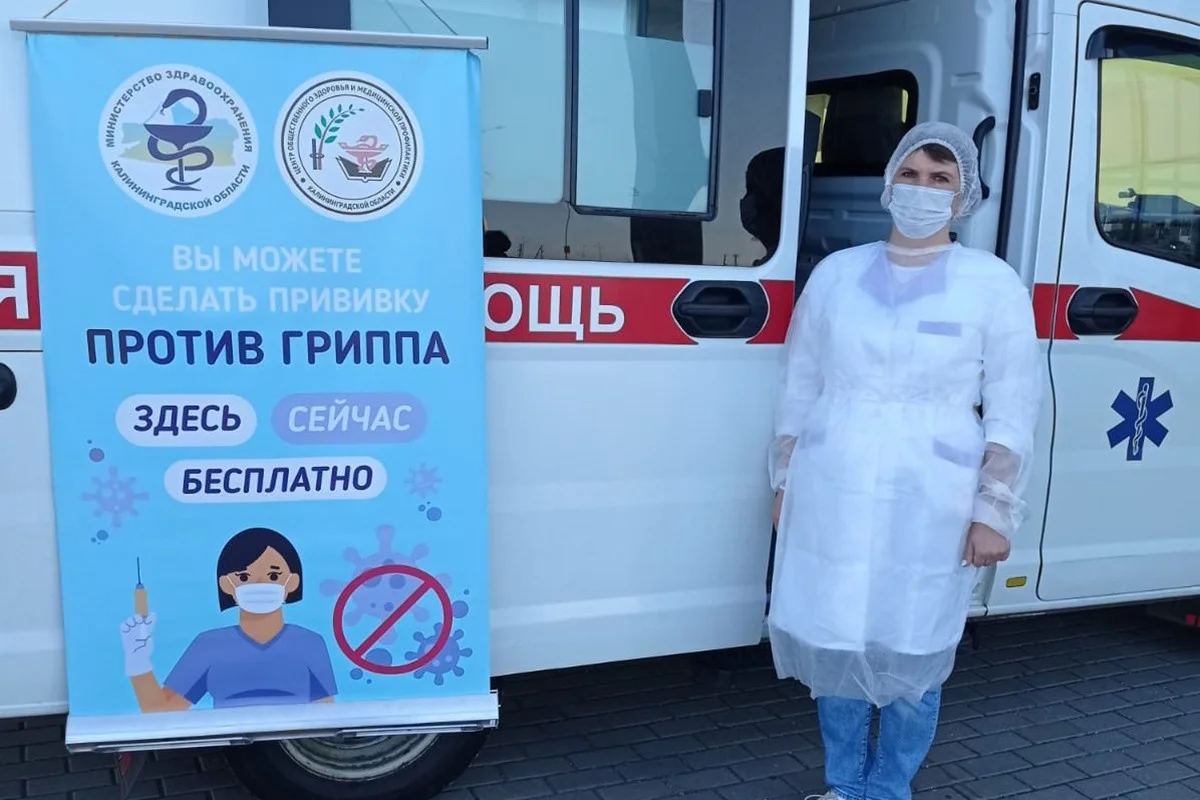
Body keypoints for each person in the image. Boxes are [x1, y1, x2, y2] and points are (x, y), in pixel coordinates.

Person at [767, 121, 1042, 800]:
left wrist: (994, 509)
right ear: (889, 183)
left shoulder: (990, 284)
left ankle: (888, 790)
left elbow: (1013, 404)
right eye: (911, 174)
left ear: (963, 196)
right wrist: (785, 480)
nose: (923, 190)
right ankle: (845, 786)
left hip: (933, 493)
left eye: (941, 178)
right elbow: (800, 384)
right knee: (835, 638)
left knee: (914, 647)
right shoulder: (837, 274)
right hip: (833, 482)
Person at [120, 526, 338, 711]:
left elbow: (329, 714)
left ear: (293, 581)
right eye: (244, 577)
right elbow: (159, 710)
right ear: (226, 584)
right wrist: (138, 662)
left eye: (273, 576)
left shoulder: (310, 643)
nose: (259, 584)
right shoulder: (208, 645)